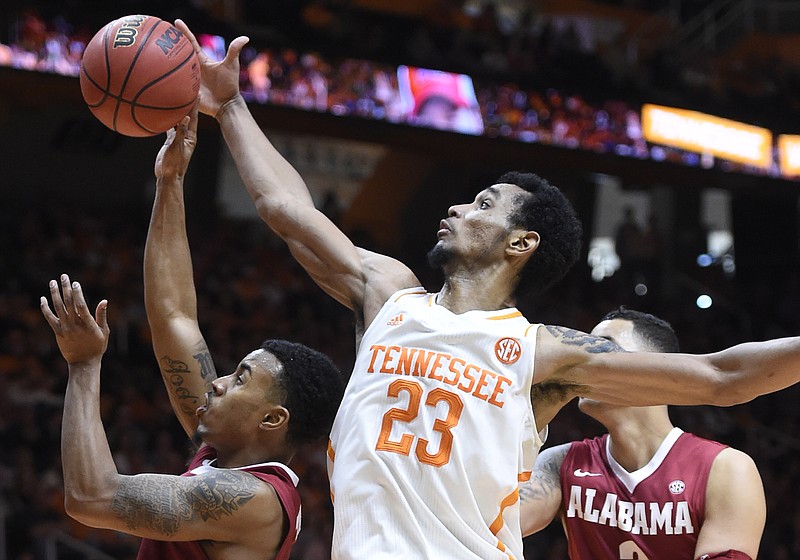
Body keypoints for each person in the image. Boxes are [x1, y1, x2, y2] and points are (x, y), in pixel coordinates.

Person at [175, 19, 800, 559]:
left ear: (520, 243)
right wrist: (230, 107)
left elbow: (723, 377)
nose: (455, 207)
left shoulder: (545, 353)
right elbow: (285, 208)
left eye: (483, 204)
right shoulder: (388, 294)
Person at [40, 113, 345, 560]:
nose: (218, 381)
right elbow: (174, 314)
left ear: (272, 419)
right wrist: (171, 180)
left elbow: (92, 496)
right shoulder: (224, 451)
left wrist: (85, 366)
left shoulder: (256, 500)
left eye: (241, 379)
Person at [520, 307, 766, 560]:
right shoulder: (560, 463)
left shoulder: (726, 468)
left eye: (602, 347)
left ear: (654, 368)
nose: (583, 359)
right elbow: (494, 522)